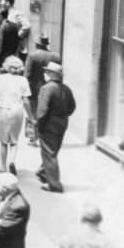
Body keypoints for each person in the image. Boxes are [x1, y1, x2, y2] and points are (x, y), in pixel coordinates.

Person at [35, 62, 75, 193]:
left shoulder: (47, 88)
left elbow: (42, 111)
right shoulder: (66, 89)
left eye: (47, 72)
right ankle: (43, 171)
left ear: (52, 75)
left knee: (49, 152)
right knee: (53, 149)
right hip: (62, 123)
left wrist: (39, 126)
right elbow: (72, 107)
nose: (45, 74)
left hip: (49, 124)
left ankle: (54, 184)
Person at [0, 56, 32, 175]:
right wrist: (30, 116)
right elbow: (25, 101)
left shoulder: (0, 78)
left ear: (7, 66)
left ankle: (3, 167)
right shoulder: (23, 80)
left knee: (3, 141)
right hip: (17, 110)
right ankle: (12, 161)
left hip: (3, 109)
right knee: (14, 140)